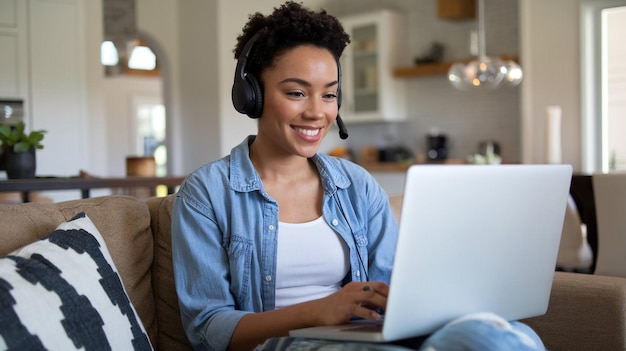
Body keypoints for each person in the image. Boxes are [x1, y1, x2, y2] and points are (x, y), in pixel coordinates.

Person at [171, 2, 546, 351]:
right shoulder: (206, 193)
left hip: (360, 336)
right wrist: (318, 312)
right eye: (297, 93)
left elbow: (392, 290)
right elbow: (208, 328)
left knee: (501, 335)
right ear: (251, 94)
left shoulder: (356, 184)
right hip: (286, 343)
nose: (317, 112)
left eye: (329, 95)